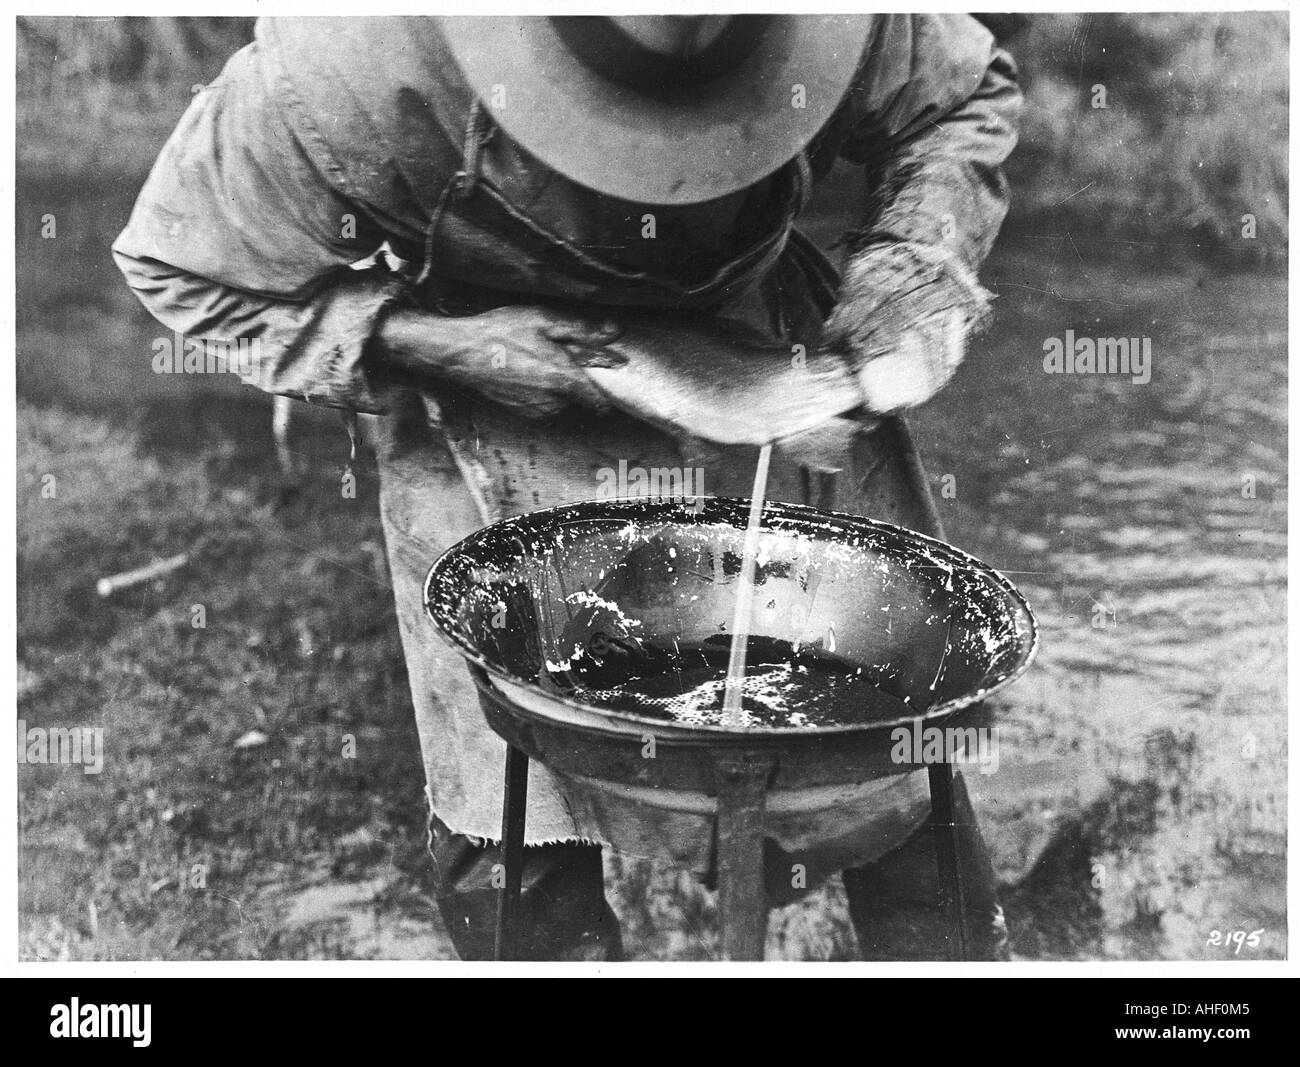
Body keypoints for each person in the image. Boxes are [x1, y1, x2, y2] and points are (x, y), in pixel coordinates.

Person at [114, 14, 1022, 961]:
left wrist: (904, 274)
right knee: (507, 802)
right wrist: (446, 347)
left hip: (763, 358)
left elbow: (963, 99)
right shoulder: (354, 56)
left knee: (895, 730)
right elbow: (178, 263)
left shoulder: (839, 22)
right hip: (495, 391)